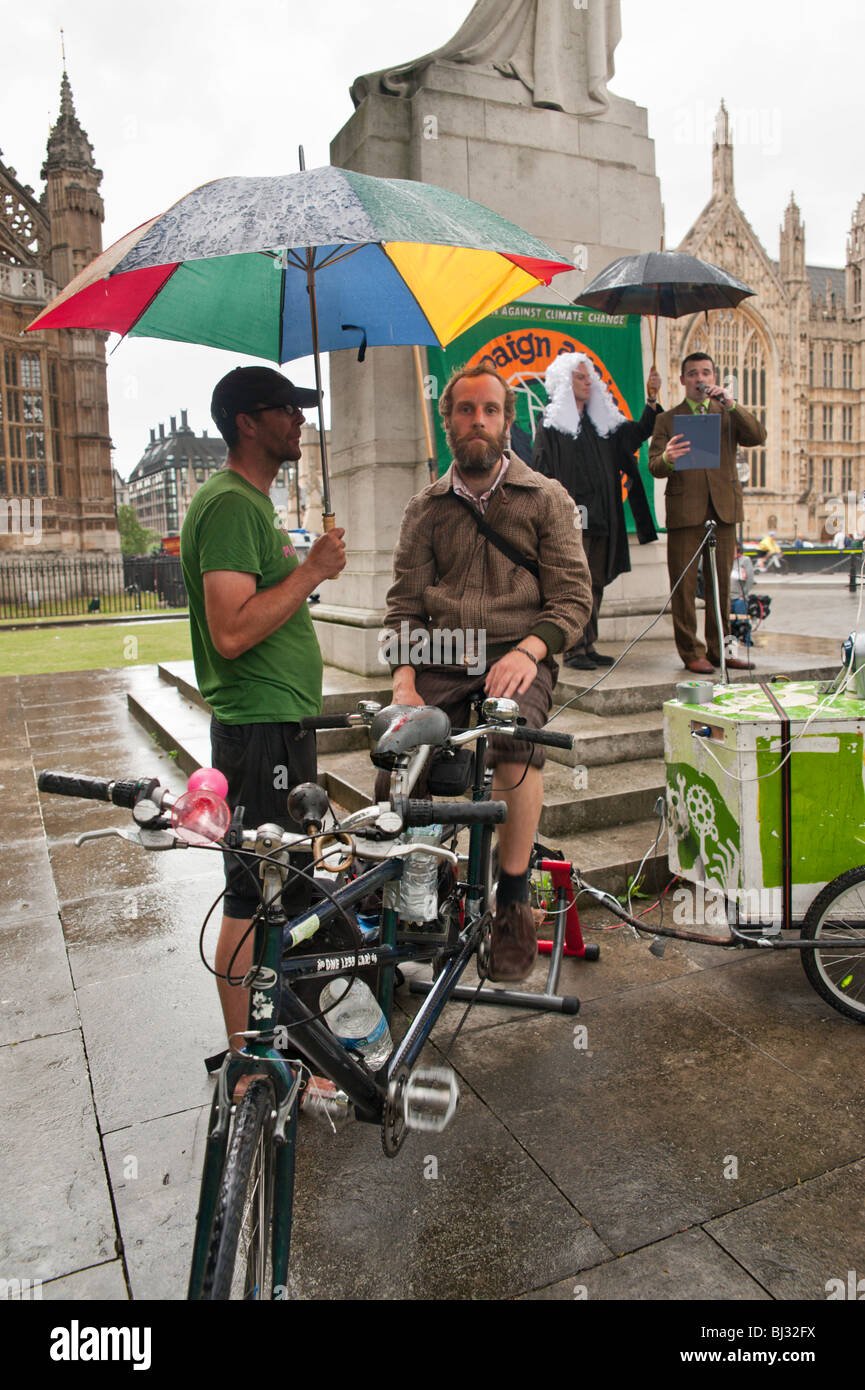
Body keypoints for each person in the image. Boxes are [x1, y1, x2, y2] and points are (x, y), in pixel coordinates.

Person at [382, 364, 592, 983]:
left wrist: (530, 650)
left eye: (491, 411)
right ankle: (412, 892)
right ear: (447, 421)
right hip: (446, 651)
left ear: (507, 422)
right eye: (466, 410)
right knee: (399, 752)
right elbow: (403, 606)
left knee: (514, 742)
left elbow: (574, 599)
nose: (478, 421)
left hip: (518, 651)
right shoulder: (424, 508)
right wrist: (403, 681)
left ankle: (515, 895)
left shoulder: (546, 498)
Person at [180, 366, 347, 1048]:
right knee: (254, 895)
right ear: (247, 421)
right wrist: (311, 573)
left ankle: (279, 1042)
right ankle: (249, 1059)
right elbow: (232, 629)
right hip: (259, 730)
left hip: (277, 724)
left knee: (283, 888)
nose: (300, 420)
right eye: (286, 409)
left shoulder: (250, 504)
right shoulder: (230, 505)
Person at [531, 353, 659, 669]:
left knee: (596, 581)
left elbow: (639, 432)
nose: (588, 382)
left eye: (590, 377)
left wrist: (652, 399)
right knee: (577, 583)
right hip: (574, 519)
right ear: (565, 381)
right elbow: (541, 470)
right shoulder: (553, 424)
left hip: (604, 516)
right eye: (581, 377)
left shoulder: (602, 425)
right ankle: (573, 648)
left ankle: (588, 644)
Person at [648, 351, 767, 674]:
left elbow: (757, 436)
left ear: (714, 377)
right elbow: (654, 466)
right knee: (684, 587)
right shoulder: (667, 419)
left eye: (706, 373)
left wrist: (733, 404)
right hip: (685, 513)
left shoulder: (727, 414)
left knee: (722, 588)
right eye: (693, 374)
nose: (700, 378)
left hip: (724, 510)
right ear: (683, 379)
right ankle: (691, 652)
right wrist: (669, 457)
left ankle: (720, 649)